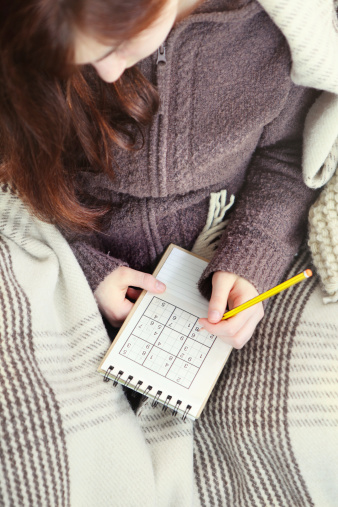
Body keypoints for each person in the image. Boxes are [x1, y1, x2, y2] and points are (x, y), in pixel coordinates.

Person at [0, 0, 319, 352]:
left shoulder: (281, 32)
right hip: (70, 257)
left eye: (118, 44)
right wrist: (84, 270)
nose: (107, 73)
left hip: (230, 255)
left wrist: (254, 255)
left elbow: (290, 156)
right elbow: (25, 174)